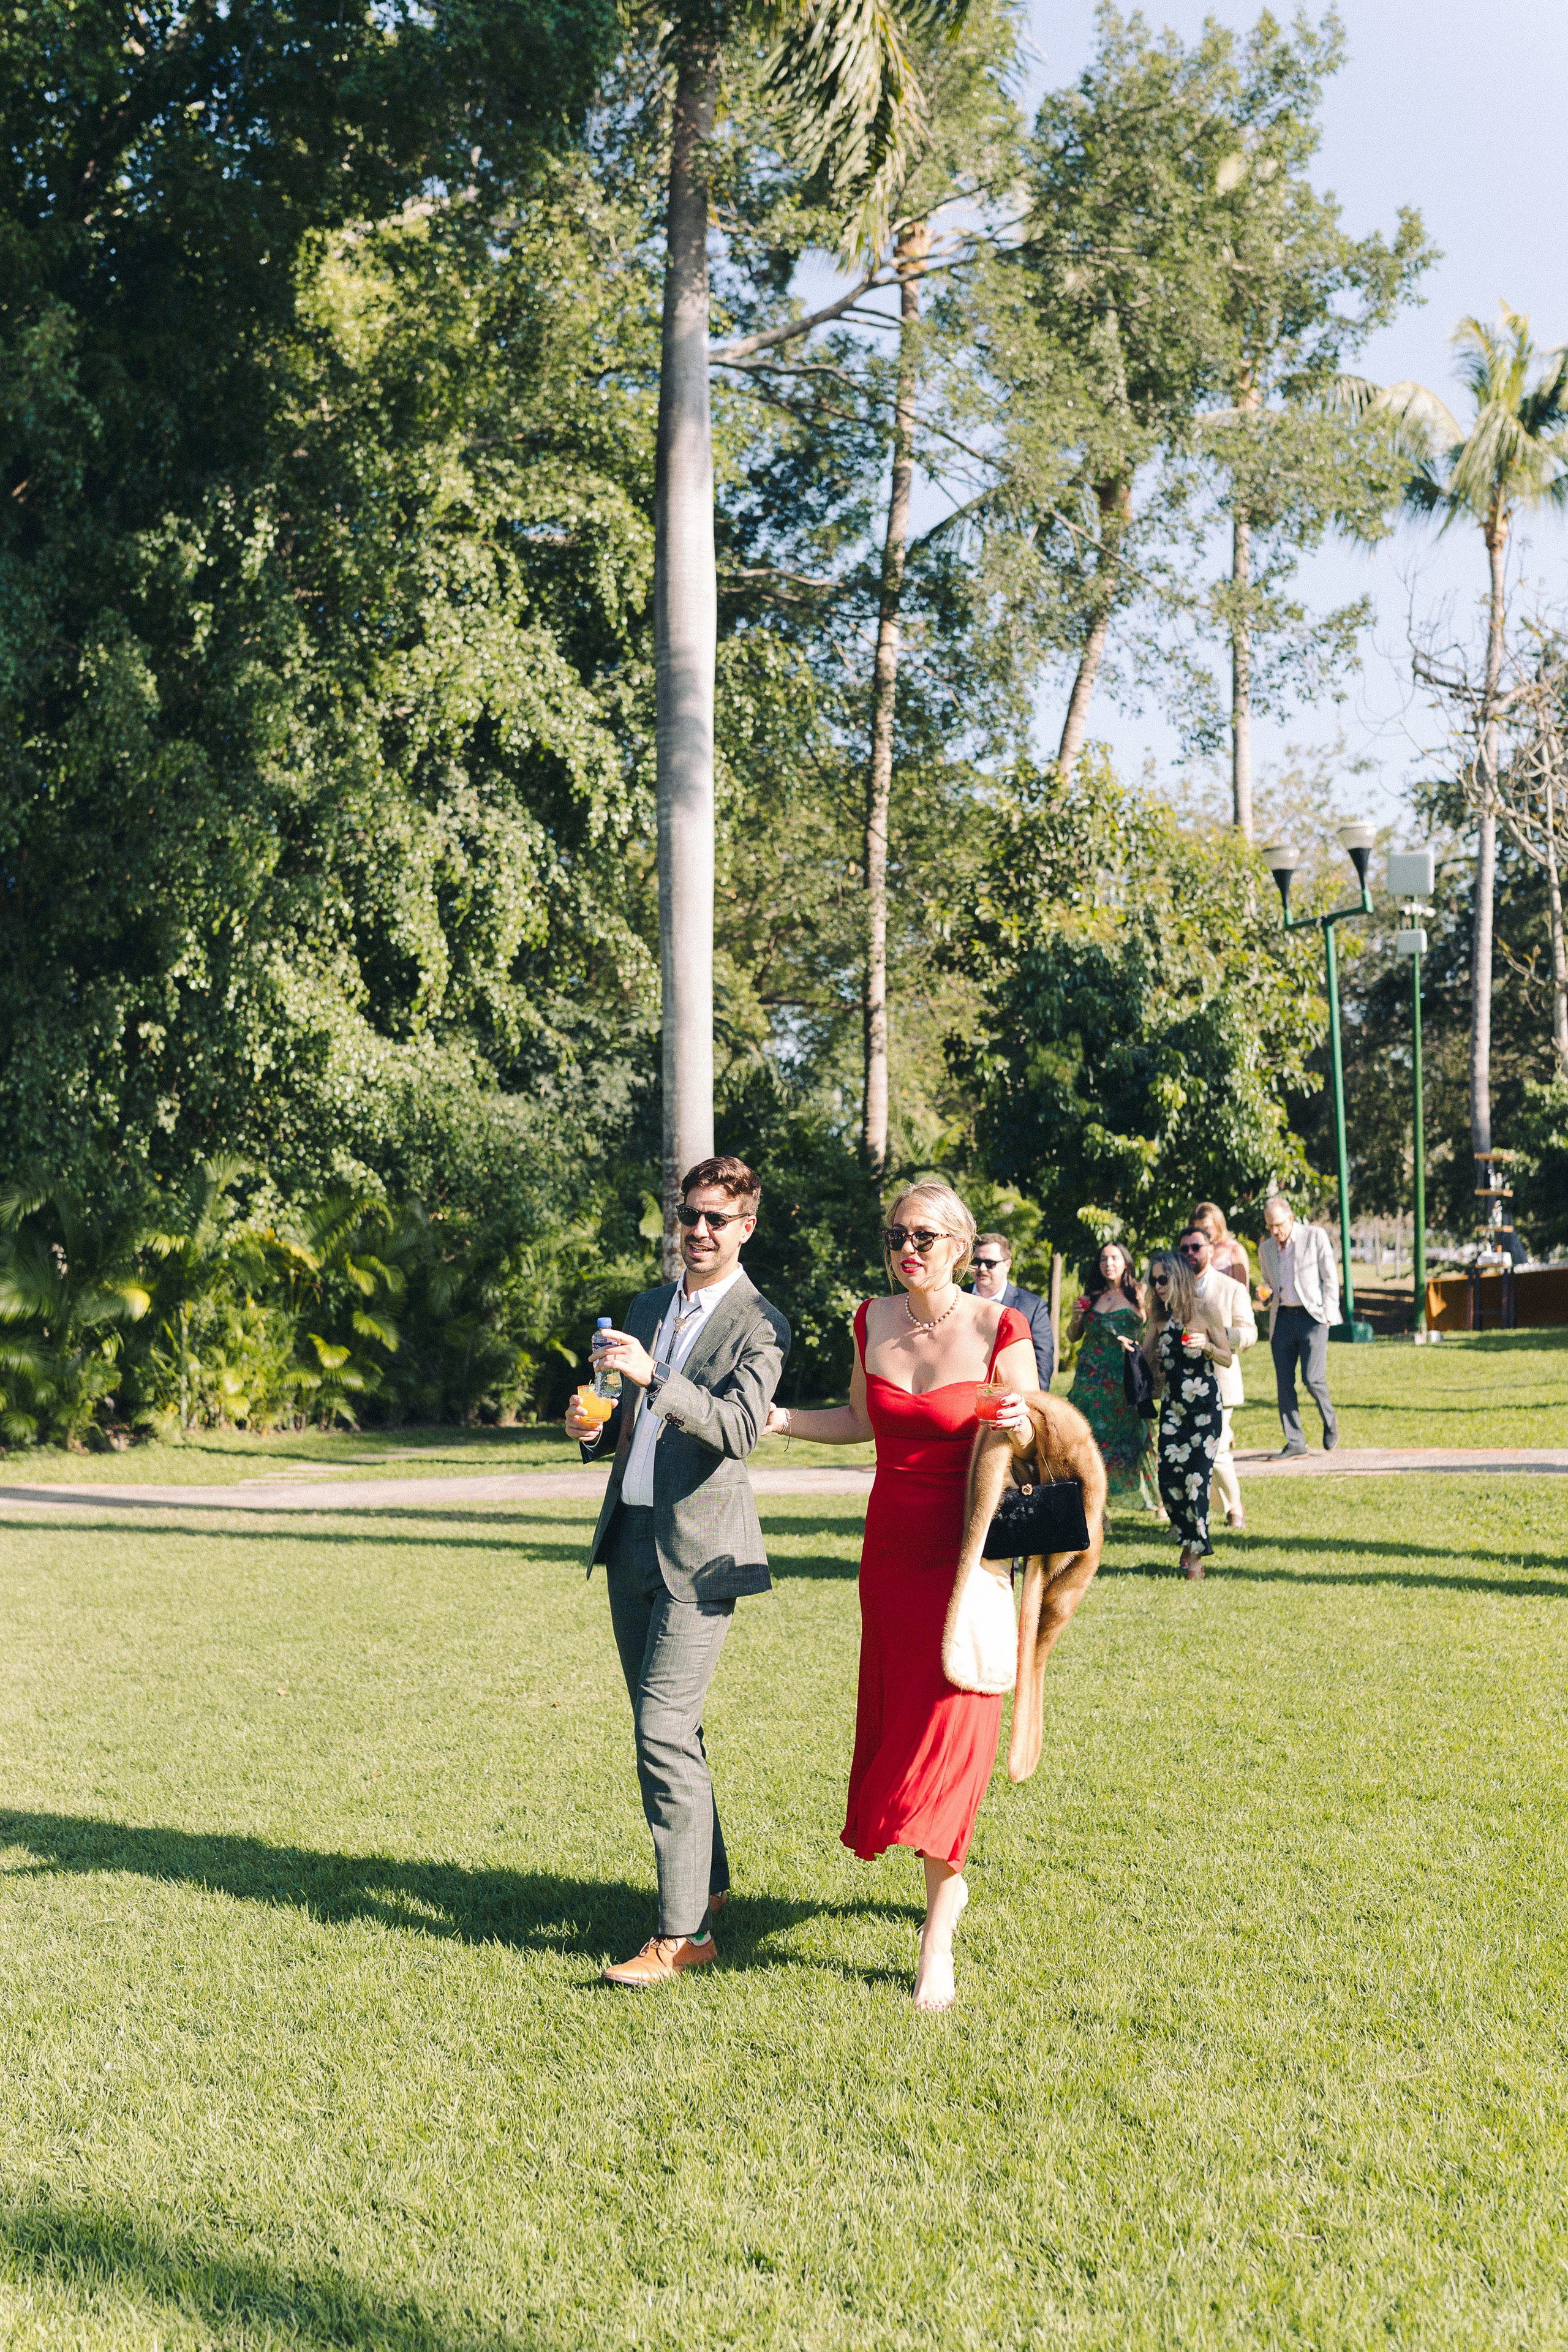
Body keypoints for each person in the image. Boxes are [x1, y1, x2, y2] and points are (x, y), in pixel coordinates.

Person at [761, 1179, 1038, 2013]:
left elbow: (1033, 1433)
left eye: (921, 1236)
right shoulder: (871, 1321)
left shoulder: (1001, 1327)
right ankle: (939, 1890)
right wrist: (778, 1420)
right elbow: (857, 1421)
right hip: (889, 1560)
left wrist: (1023, 1421)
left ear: (959, 1243)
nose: (905, 1250)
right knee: (906, 1733)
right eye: (893, 1237)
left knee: (951, 1741)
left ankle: (937, 1937)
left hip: (970, 1560)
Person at [567, 1155, 790, 1991]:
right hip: (629, 1538)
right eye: (688, 1216)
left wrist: (657, 1375)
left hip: (704, 1555)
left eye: (715, 1220)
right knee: (671, 1728)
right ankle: (712, 1886)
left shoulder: (761, 1323)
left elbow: (736, 1428)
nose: (697, 1232)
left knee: (661, 1732)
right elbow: (623, 1414)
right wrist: (591, 1426)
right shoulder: (649, 1305)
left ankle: (683, 1934)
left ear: (746, 1229)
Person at [1142, 1249, 1232, 1578]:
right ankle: (1187, 1538)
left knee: (1196, 1481)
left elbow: (1227, 1357)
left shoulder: (1205, 1309)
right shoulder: (1159, 1316)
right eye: (1154, 1281)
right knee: (1169, 1481)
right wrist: (1136, 1355)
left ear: (1179, 1277)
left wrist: (1206, 1345)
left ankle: (1196, 1557)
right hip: (1173, 1410)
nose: (1158, 1286)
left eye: (1163, 1279)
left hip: (1205, 1410)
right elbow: (1147, 1358)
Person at [1177, 1223, 1257, 1532]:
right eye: (1184, 1249)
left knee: (1218, 1448)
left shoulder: (1230, 1288)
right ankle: (1198, 1513)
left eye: (1196, 1247)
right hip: (1183, 1382)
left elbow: (1251, 1333)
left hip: (1220, 1379)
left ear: (1211, 1250)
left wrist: (1219, 1335)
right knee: (1193, 1449)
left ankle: (1235, 1507)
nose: (1190, 1254)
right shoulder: (1173, 1290)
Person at [1257, 1193, 1340, 1457]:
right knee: (1284, 1383)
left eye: (1279, 1225)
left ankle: (1330, 1421)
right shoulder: (1266, 1249)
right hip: (1282, 1318)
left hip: (1312, 1317)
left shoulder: (1314, 1237)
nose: (1275, 1231)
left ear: (1291, 1219)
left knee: (1312, 1379)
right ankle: (1295, 1442)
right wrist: (1266, 1293)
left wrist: (1328, 1313)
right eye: (1270, 1226)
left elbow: (1330, 1277)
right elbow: (1270, 1283)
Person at [1066, 1242, 1149, 1504]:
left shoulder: (1140, 1293)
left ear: (1126, 1262)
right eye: (1103, 1259)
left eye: (1114, 1258)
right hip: (1090, 1380)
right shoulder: (1092, 1297)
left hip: (1124, 1377)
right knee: (1092, 1439)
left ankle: (1155, 1500)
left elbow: (1151, 1330)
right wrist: (1077, 1318)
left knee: (1135, 1434)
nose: (1108, 1264)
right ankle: (1097, 1503)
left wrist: (1138, 1348)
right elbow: (1073, 1337)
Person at [969, 1232, 1056, 1389]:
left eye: (990, 1263)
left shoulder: (1032, 1306)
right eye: (977, 1262)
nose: (982, 1268)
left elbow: (1042, 1361)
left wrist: (1034, 1406)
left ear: (1007, 1265)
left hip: (1010, 1398)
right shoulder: (958, 1297)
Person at [1191, 1200, 1251, 1289]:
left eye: (1207, 1228)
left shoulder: (1235, 1250)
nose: (1203, 1233)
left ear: (1218, 1224)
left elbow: (1243, 1291)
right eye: (1198, 1229)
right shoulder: (1192, 1251)